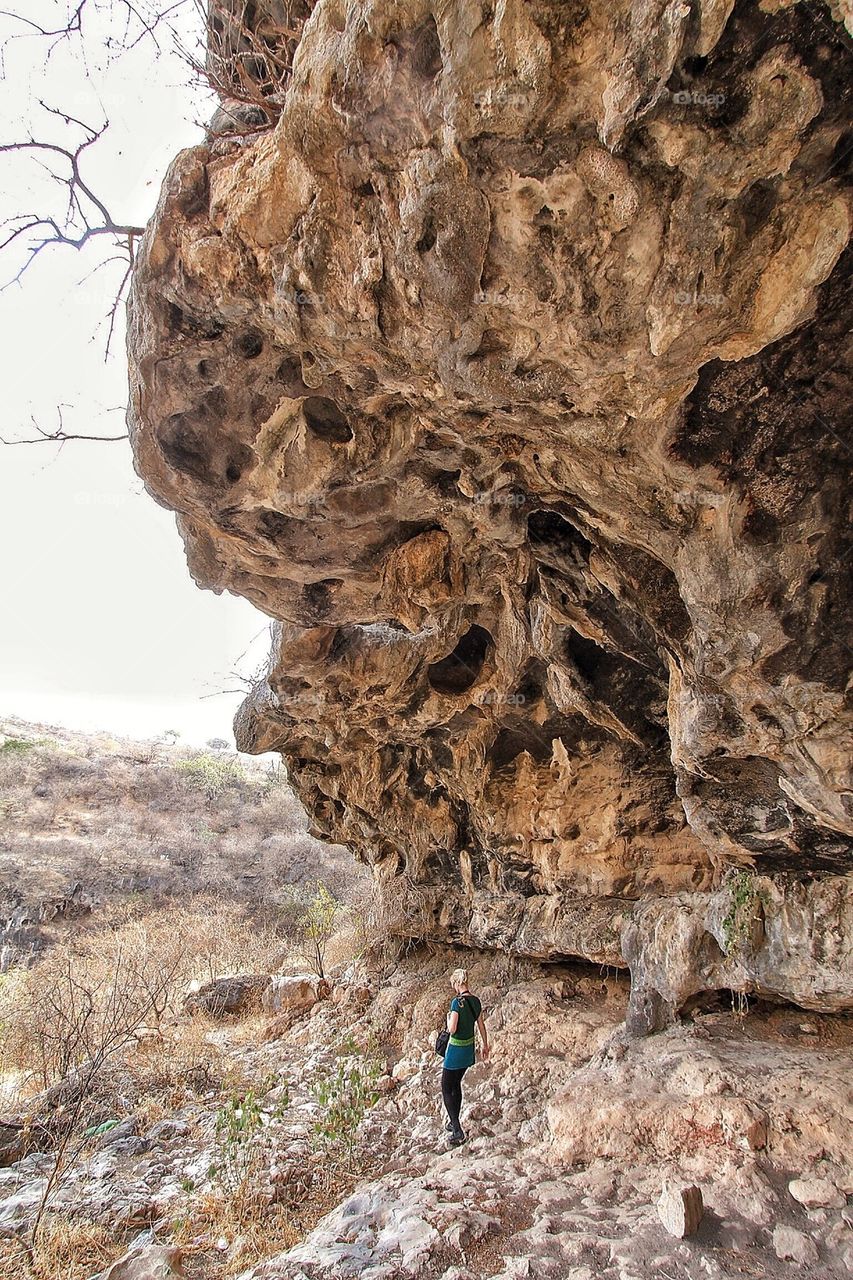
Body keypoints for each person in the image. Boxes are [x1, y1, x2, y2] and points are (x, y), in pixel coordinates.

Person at [442, 966, 489, 1147]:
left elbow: (452, 1029)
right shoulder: (475, 1001)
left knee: (446, 1086)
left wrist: (448, 1021)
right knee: (456, 1084)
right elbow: (481, 1026)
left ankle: (457, 1130)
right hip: (469, 1050)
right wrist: (485, 1045)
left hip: (455, 1050)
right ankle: (453, 1121)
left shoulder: (456, 1003)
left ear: (456, 983)